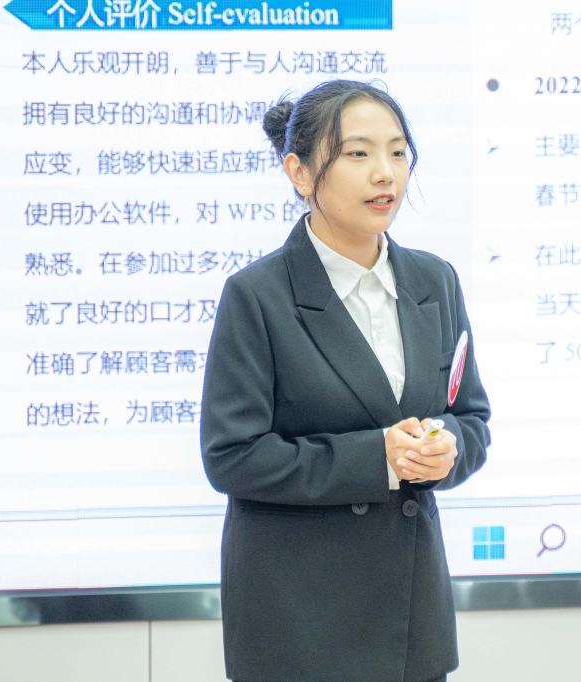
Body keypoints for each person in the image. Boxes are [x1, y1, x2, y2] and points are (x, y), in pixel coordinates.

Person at [199, 79, 491, 682]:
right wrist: (377, 458)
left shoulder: (435, 281)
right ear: (300, 173)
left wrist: (448, 450)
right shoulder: (257, 296)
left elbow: (471, 418)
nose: (386, 173)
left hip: (410, 624)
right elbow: (232, 456)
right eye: (358, 153)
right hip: (299, 623)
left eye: (398, 152)